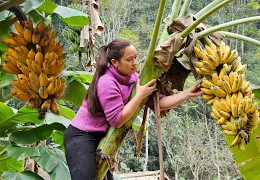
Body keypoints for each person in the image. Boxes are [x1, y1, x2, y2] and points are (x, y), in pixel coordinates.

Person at [64, 39, 203, 180]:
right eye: (129, 59)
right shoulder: (107, 82)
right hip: (81, 136)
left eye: (136, 57)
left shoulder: (135, 79)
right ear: (114, 62)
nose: (135, 62)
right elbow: (117, 121)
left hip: (103, 137)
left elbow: (159, 103)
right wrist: (139, 96)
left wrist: (187, 93)